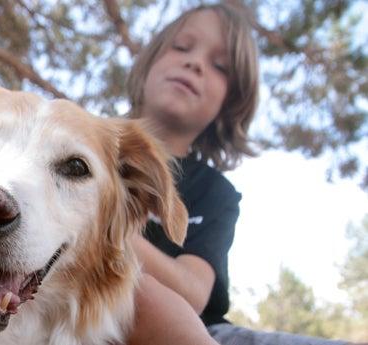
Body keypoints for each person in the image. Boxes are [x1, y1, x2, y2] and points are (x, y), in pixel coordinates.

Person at [125, 3, 350, 345]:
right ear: (149, 62)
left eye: (219, 67)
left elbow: (193, 293)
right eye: (182, 47)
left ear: (229, 104)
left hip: (205, 331)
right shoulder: (83, 148)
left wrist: (102, 232)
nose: (195, 63)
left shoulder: (216, 193)